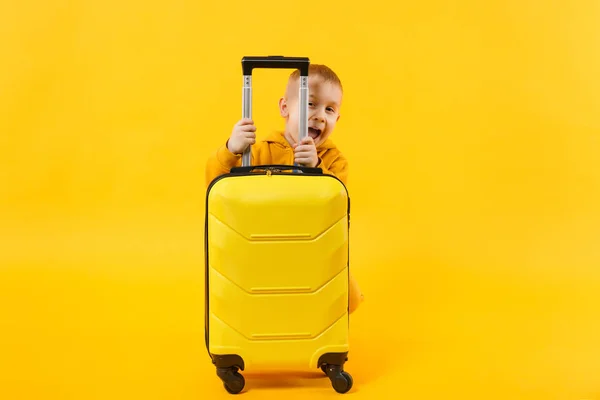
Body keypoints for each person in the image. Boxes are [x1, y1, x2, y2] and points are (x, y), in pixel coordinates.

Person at [205, 64, 364, 313]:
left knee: (348, 298)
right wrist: (232, 148)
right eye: (311, 104)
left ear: (337, 118)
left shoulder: (334, 160)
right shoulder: (257, 152)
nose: (321, 116)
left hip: (312, 247)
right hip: (263, 244)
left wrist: (317, 168)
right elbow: (215, 183)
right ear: (285, 108)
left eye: (330, 109)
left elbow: (339, 200)